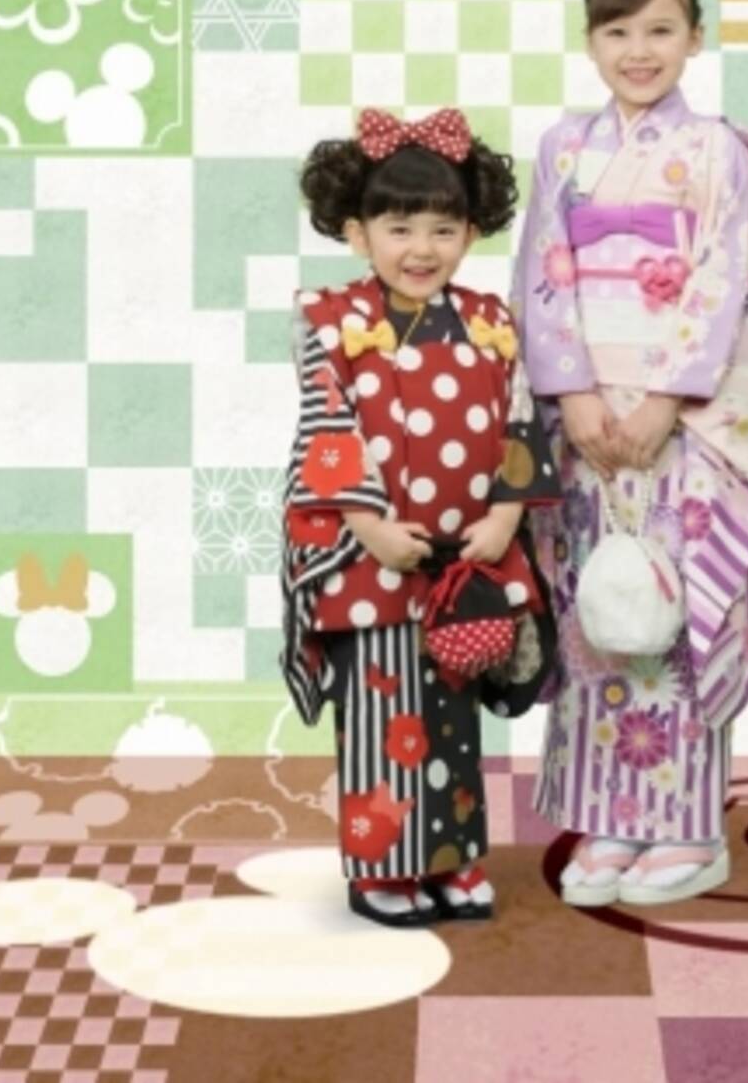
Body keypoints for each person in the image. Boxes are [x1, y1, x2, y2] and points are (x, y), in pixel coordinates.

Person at [513, 0, 748, 908]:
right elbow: (543, 277)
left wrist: (665, 399)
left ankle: (686, 825)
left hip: (680, 425)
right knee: (599, 608)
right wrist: (576, 393)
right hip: (589, 424)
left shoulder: (718, 152)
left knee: (677, 610)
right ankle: (608, 815)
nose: (637, 50)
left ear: (696, 35)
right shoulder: (563, 147)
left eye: (660, 28)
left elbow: (728, 281)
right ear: (588, 38)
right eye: (617, 29)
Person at [280, 107, 559, 928]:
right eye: (398, 227)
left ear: (471, 232)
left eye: (443, 228)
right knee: (382, 711)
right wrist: (369, 525)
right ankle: (385, 865)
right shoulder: (330, 319)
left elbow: (520, 421)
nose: (421, 248)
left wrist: (505, 517)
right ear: (357, 232)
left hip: (466, 557)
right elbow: (326, 425)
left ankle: (454, 857)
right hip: (370, 554)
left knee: (451, 716)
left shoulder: (489, 321)